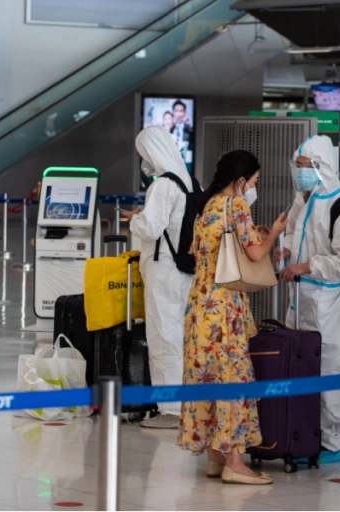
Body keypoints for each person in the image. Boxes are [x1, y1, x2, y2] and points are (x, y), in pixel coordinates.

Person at [178, 150, 287, 485]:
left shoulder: (204, 206)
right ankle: (235, 463)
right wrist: (275, 232)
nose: (253, 187)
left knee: (205, 378)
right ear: (241, 180)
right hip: (225, 309)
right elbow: (255, 253)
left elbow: (205, 253)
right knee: (233, 379)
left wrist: (256, 233)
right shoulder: (236, 206)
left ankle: (214, 458)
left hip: (199, 306)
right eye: (252, 182)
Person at [275, 135, 340, 464]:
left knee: (330, 367)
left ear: (323, 167)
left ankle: (332, 441)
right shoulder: (303, 199)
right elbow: (293, 235)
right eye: (297, 166)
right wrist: (284, 250)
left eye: (307, 166)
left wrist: (308, 266)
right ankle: (302, 433)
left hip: (328, 302)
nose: (301, 172)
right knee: (299, 368)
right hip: (299, 299)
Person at [120, 127, 195, 428]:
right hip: (181, 271)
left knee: (163, 338)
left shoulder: (162, 184)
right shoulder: (187, 180)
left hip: (163, 270)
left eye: (143, 155)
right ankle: (183, 404)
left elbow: (150, 228)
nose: (143, 162)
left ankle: (171, 410)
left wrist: (136, 219)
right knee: (179, 336)